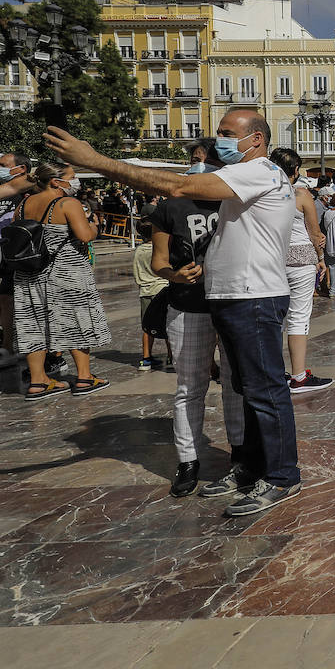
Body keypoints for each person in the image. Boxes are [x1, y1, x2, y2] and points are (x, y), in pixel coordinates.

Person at [47, 110, 306, 518]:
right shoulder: (246, 176)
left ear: (255, 139)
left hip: (253, 298)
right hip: (230, 297)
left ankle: (281, 477)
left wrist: (96, 161)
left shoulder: (261, 171)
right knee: (245, 390)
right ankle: (250, 470)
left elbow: (180, 184)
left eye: (226, 134)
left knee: (264, 390)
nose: (217, 141)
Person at [148, 138, 245, 498]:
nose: (200, 166)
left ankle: (239, 454)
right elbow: (159, 260)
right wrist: (174, 275)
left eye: (208, 161)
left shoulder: (236, 200)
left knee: (236, 383)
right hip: (187, 304)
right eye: (194, 160)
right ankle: (188, 460)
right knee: (190, 386)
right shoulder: (171, 207)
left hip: (233, 301)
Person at [12, 161, 111, 400]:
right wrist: (95, 226)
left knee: (33, 324)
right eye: (72, 177)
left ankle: (38, 381)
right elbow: (85, 235)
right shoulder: (68, 203)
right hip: (66, 271)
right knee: (76, 320)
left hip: (29, 274)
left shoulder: (23, 204)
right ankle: (85, 377)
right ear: (56, 181)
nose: (76, 181)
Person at [270, 148, 333, 395]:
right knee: (298, 317)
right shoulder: (300, 194)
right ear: (295, 171)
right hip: (302, 260)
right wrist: (321, 259)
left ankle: (274, 373)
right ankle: (298, 376)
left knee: (273, 319)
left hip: (272, 261)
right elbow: (314, 233)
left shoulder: (263, 194)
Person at [0, 151, 35, 352]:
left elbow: (15, 185)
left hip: (22, 253)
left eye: (3, 165)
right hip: (4, 253)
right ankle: (8, 344)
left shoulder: (32, 191)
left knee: (24, 301)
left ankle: (44, 353)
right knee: (4, 298)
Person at [132, 214, 170, 371]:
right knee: (169, 325)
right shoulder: (160, 249)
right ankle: (171, 357)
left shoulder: (139, 251)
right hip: (162, 289)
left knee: (147, 327)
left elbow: (136, 272)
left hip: (145, 291)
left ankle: (146, 358)